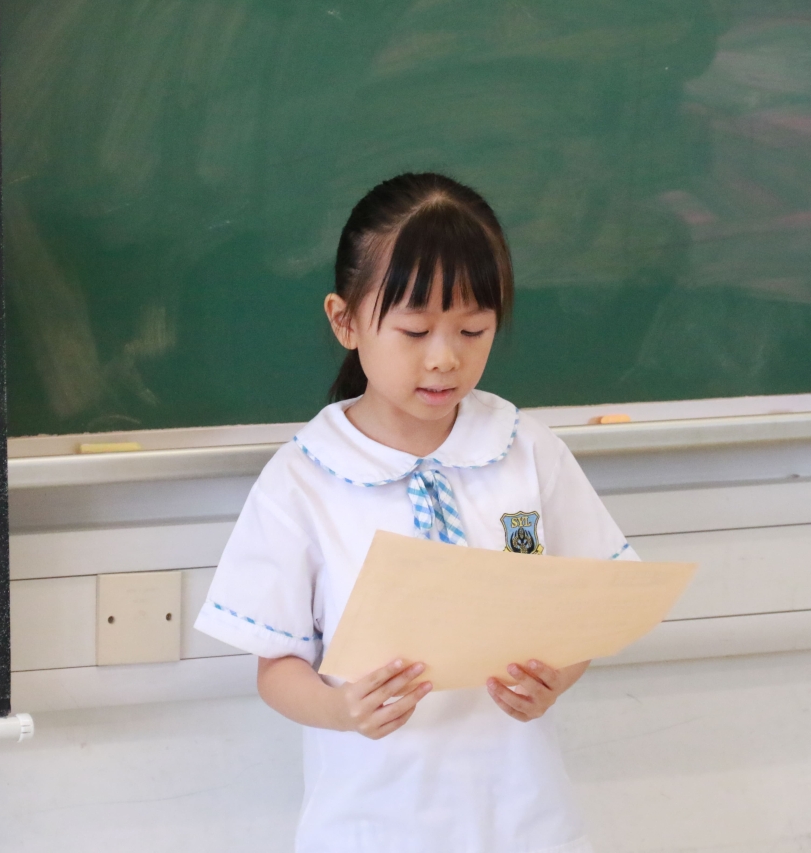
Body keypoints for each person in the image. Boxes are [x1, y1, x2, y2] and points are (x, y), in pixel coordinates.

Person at [194, 172, 638, 853]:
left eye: (472, 329)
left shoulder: (526, 449)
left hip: (523, 819)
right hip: (370, 825)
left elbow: (590, 606)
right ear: (345, 321)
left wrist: (558, 675)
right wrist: (340, 708)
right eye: (415, 330)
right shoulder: (304, 478)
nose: (444, 358)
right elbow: (277, 667)